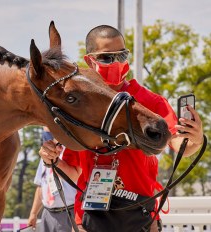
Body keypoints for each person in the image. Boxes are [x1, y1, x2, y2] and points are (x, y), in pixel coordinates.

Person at [39, 25, 204, 232]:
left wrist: (195, 138)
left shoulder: (149, 101)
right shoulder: (81, 107)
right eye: (107, 57)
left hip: (140, 214)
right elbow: (73, 172)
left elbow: (181, 146)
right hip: (90, 217)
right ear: (90, 60)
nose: (116, 63)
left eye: (122, 55)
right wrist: (50, 160)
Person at [28, 127, 81, 232]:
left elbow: (74, 177)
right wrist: (33, 213)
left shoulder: (73, 150)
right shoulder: (44, 155)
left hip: (70, 211)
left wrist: (55, 161)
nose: (46, 130)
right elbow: (41, 185)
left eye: (49, 127)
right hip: (48, 213)